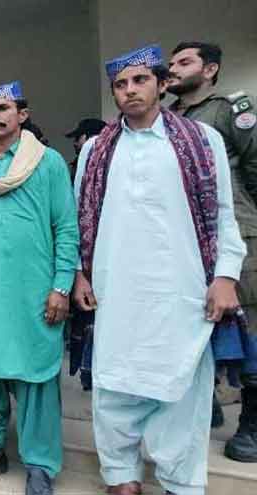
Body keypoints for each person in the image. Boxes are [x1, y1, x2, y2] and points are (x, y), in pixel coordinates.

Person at [74, 44, 245, 495]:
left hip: (182, 287)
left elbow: (223, 212)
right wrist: (79, 273)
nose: (130, 90)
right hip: (115, 287)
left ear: (161, 83)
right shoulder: (95, 150)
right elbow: (79, 219)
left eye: (140, 80)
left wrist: (225, 275)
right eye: (120, 84)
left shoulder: (202, 140)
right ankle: (120, 474)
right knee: (114, 384)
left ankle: (180, 481)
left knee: (182, 386)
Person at [0, 81, 79, 495]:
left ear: (22, 114)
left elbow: (66, 227)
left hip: (33, 291)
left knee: (36, 378)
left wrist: (62, 286)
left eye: (2, 108)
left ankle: (40, 464)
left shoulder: (48, 162)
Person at [168, 40, 257, 462]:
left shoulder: (230, 110)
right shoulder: (167, 117)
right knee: (192, 320)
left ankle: (253, 424)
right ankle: (208, 402)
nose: (173, 68)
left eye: (184, 62)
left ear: (210, 70)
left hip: (237, 233)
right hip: (186, 240)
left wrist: (244, 215)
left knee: (249, 325)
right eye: (171, 62)